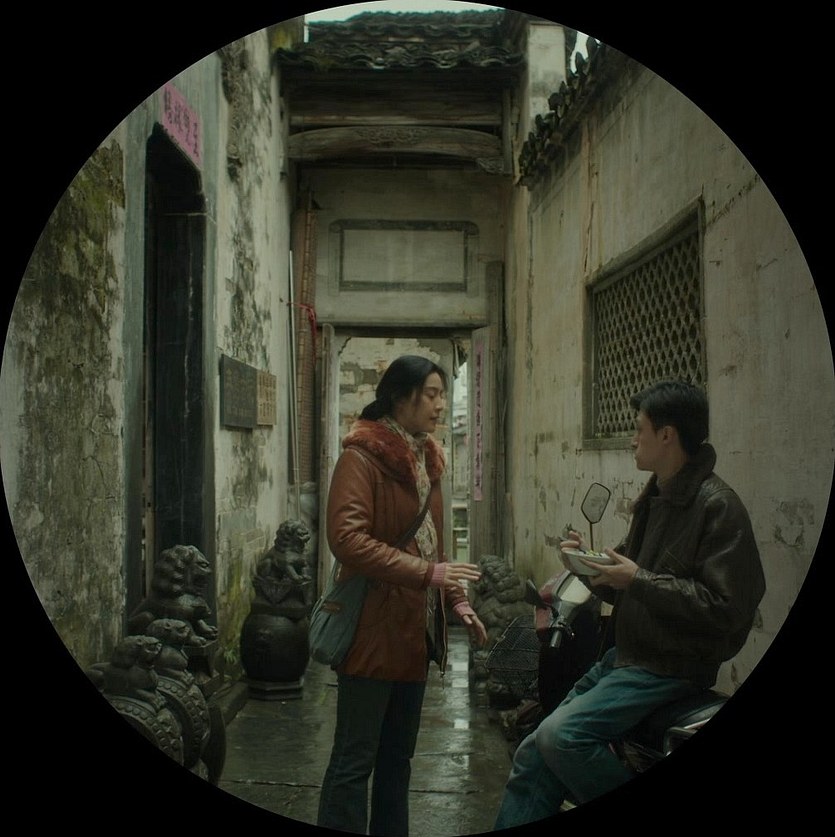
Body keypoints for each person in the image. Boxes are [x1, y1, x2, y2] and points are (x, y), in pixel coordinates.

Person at [493, 380, 766, 827]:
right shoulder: (655, 497)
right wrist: (586, 564)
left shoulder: (718, 507)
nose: (632, 439)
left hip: (668, 667)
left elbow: (726, 608)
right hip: (625, 658)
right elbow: (622, 578)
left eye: (639, 429)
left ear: (667, 434)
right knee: (532, 751)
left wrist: (637, 580)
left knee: (562, 737)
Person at [317, 354, 488, 836]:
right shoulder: (361, 458)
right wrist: (427, 573)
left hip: (415, 634)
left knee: (398, 761)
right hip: (371, 632)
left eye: (442, 395)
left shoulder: (428, 460)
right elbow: (347, 539)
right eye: (431, 394)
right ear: (400, 397)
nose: (440, 405)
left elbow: (434, 546)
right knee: (354, 760)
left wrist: (457, 601)